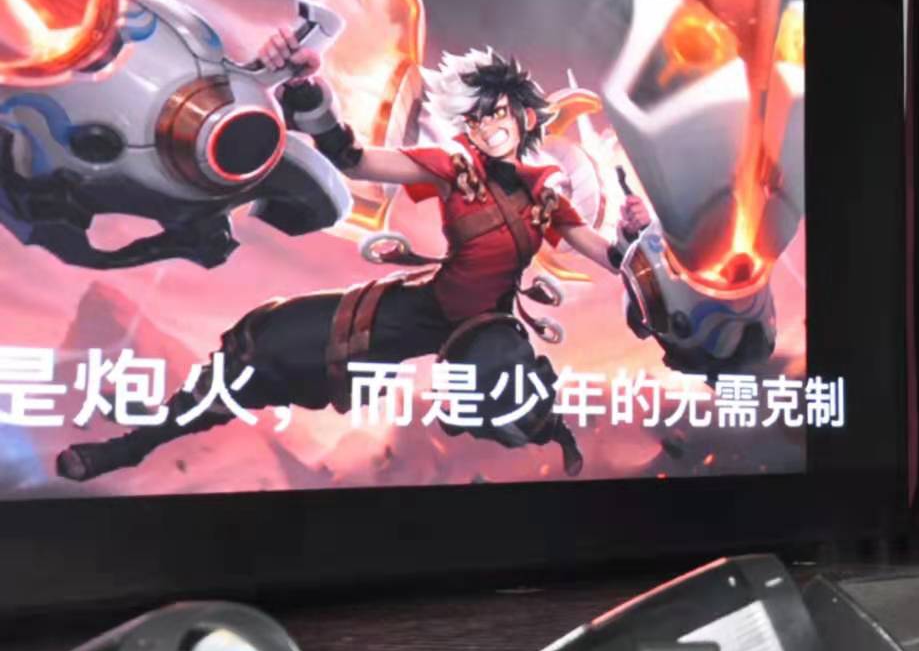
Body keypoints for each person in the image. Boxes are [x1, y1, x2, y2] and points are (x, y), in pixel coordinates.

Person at [57, 32, 651, 482]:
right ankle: (132, 446)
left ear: (522, 116)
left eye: (497, 113)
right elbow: (352, 158)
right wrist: (307, 91)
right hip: (422, 307)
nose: (489, 126)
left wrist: (632, 240)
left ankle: (546, 428)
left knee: (504, 384)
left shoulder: (544, 193)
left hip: (486, 326)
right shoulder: (452, 167)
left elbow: (604, 254)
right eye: (477, 117)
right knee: (266, 343)